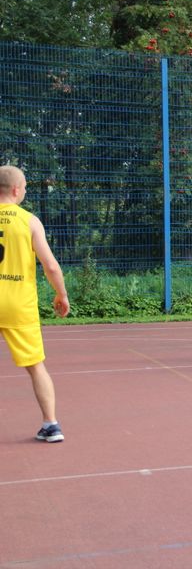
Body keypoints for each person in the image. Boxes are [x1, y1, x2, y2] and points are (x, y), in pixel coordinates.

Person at [0, 165, 70, 443]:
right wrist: (61, 294)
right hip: (18, 304)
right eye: (26, 187)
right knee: (36, 366)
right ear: (16, 190)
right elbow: (51, 266)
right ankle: (51, 425)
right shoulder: (28, 221)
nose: (26, 191)